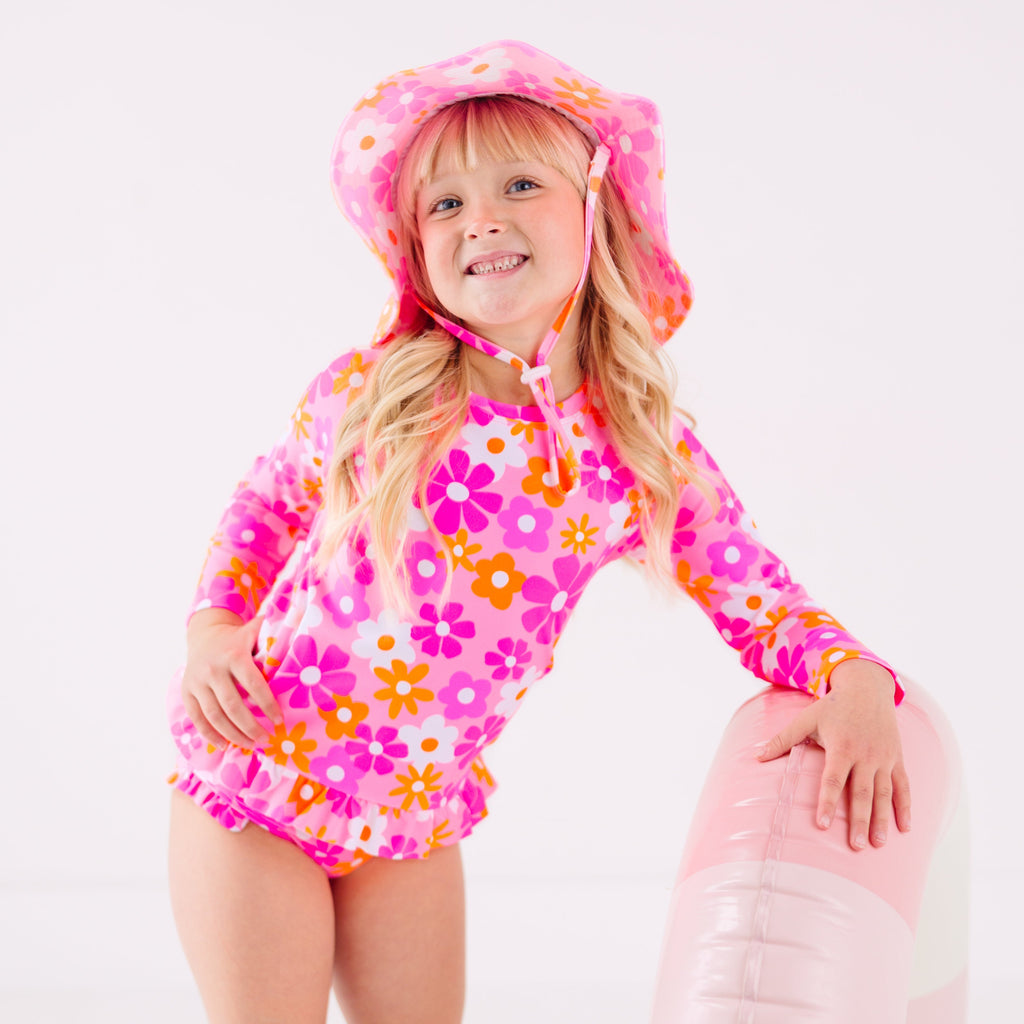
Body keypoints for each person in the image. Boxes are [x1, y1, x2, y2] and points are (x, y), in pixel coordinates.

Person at [167, 40, 911, 1024]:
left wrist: (852, 675)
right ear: (418, 250)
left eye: (520, 183)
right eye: (446, 203)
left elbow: (758, 597)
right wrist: (212, 631)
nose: (483, 220)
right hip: (257, 782)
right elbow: (262, 506)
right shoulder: (371, 393)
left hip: (410, 820)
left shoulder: (637, 449)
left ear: (594, 208)